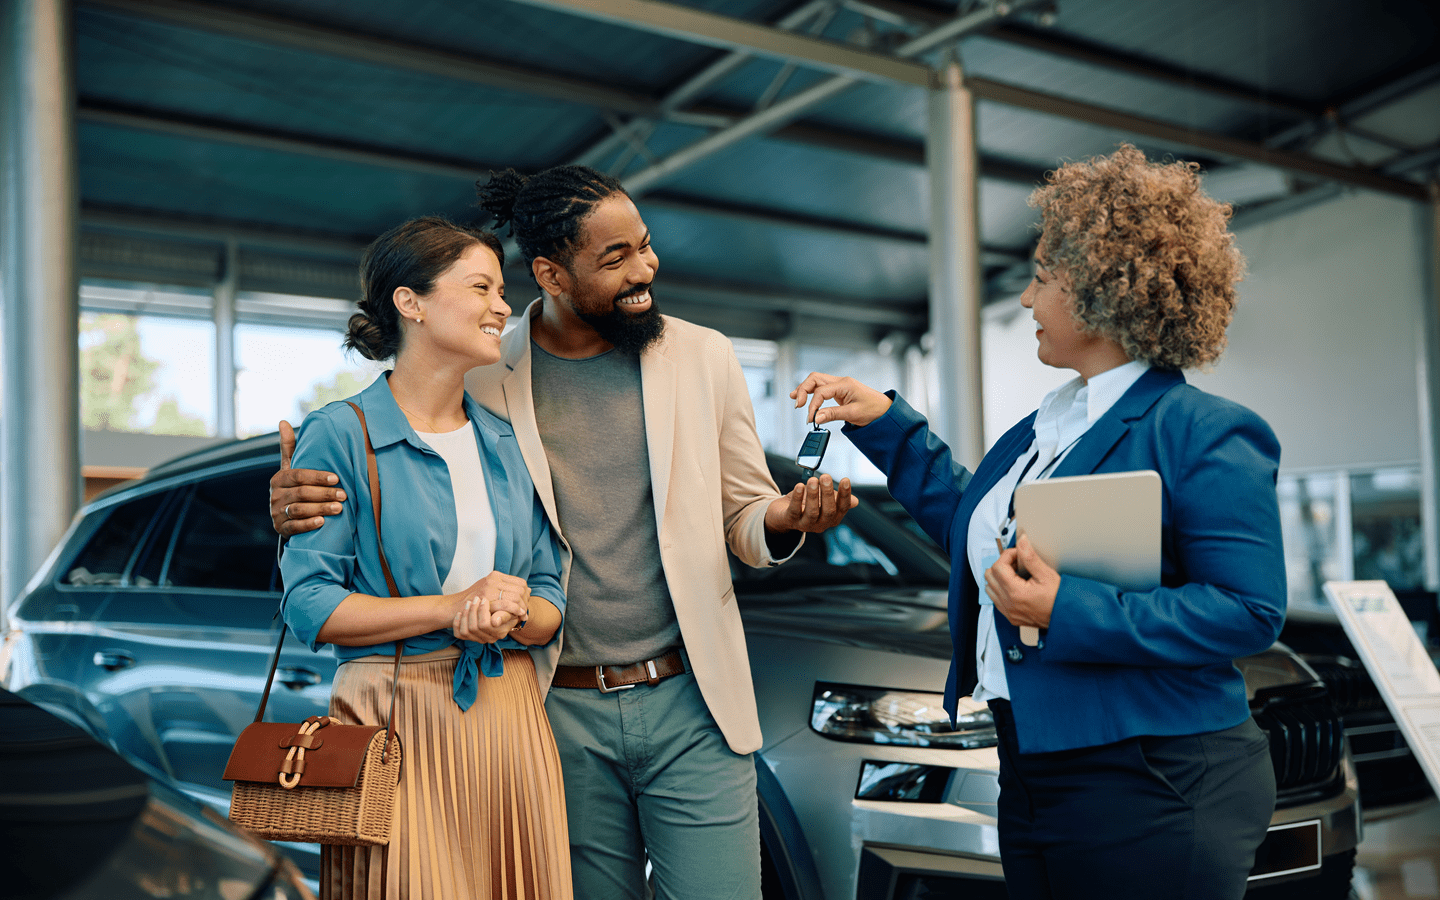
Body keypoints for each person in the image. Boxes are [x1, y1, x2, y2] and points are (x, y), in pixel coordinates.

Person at [269, 165, 857, 899]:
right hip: (548, 709)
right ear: (550, 271)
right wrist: (293, 493)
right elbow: (397, 447)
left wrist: (786, 517)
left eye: (644, 246)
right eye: (616, 258)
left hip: (691, 697)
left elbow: (745, 514)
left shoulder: (703, 356)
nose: (646, 269)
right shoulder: (484, 373)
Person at [791, 145, 1284, 900]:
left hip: (1152, 776)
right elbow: (972, 527)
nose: (1026, 299)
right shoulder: (1045, 428)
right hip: (1032, 767)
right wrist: (886, 424)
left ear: (1099, 293)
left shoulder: (1205, 431)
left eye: (1043, 279)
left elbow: (1249, 610)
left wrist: (1065, 609)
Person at [279, 217, 572, 900]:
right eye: (481, 287)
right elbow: (308, 604)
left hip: (508, 713)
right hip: (392, 717)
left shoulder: (505, 441)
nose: (503, 305)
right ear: (409, 302)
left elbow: (550, 598)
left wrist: (513, 609)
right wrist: (452, 608)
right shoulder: (341, 434)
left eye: (503, 290)